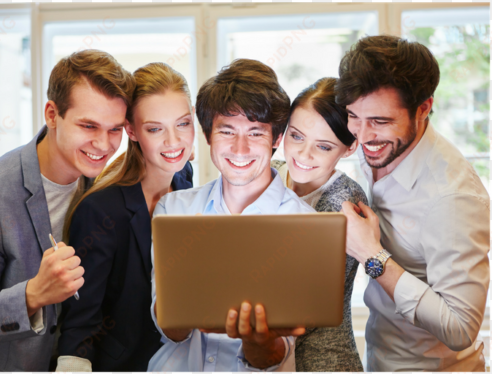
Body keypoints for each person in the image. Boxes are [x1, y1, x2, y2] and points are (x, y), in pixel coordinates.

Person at [0, 49, 135, 372]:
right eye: (88, 126)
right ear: (52, 114)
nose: (104, 144)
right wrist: (32, 294)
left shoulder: (103, 187)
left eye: (114, 130)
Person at [147, 58, 315, 372]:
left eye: (255, 133)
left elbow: (274, 355)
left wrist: (258, 341)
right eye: (227, 131)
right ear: (208, 136)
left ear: (277, 139)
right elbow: (168, 329)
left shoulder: (304, 226)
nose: (240, 149)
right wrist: (187, 309)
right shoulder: (174, 210)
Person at [337, 35, 490, 371]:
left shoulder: (453, 197)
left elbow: (460, 328)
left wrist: (372, 255)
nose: (361, 136)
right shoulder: (380, 147)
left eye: (379, 121)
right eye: (353, 116)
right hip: (378, 358)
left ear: (423, 108)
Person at [55, 62, 195, 371]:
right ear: (131, 130)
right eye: (155, 129)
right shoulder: (102, 209)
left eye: (183, 124)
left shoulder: (185, 180)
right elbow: (82, 320)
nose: (174, 142)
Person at [271, 77, 365, 372]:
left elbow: (309, 300)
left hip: (321, 359)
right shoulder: (268, 173)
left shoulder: (345, 202)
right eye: (296, 136)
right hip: (268, 353)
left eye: (323, 147)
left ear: (349, 148)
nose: (303, 154)